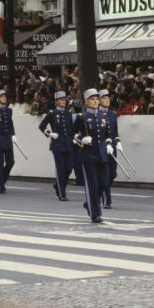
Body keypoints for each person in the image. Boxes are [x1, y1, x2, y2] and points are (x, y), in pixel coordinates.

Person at [73, 88, 112, 223]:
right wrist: (81, 140)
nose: (96, 101)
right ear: (87, 102)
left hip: (102, 155)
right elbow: (73, 135)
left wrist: (109, 144)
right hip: (88, 155)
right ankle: (95, 214)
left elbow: (107, 134)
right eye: (92, 99)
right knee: (92, 184)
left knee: (104, 182)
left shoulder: (103, 116)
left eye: (97, 99)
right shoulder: (81, 117)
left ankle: (90, 202)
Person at [38, 91, 74, 201]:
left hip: (68, 143)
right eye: (61, 100)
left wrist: (76, 137)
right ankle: (62, 193)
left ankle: (59, 185)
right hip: (57, 144)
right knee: (60, 168)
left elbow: (72, 129)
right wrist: (49, 133)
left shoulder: (68, 113)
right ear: (56, 101)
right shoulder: (52, 113)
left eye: (64, 100)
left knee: (69, 168)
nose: (63, 101)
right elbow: (42, 126)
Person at [0, 90, 16, 194]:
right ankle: (1, 186)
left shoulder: (9, 110)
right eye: (1, 97)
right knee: (0, 164)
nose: (4, 98)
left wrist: (13, 134)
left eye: (5, 96)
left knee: (10, 162)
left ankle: (1, 178)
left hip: (8, 139)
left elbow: (10, 123)